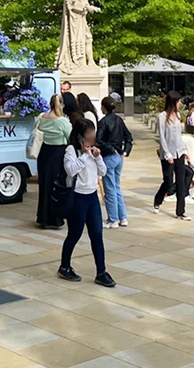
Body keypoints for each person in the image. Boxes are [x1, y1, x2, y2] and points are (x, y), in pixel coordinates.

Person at [58, 118, 116, 288]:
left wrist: (97, 158)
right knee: (74, 234)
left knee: (97, 234)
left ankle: (101, 272)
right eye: (89, 133)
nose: (92, 136)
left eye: (93, 133)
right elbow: (70, 170)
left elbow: (103, 172)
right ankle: (64, 266)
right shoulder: (71, 150)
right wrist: (84, 155)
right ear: (80, 136)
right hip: (77, 197)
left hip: (92, 197)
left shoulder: (94, 151)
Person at [36, 94, 73, 229]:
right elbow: (70, 137)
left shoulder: (41, 117)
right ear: (61, 105)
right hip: (58, 154)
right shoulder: (63, 121)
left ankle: (43, 217)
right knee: (57, 186)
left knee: (44, 186)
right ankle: (56, 218)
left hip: (43, 153)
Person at [96, 96, 133, 228]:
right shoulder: (119, 120)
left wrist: (110, 148)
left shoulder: (103, 122)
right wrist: (125, 151)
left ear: (103, 107)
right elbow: (129, 137)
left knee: (110, 188)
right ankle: (122, 217)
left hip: (109, 156)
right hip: (119, 157)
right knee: (116, 187)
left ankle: (113, 219)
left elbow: (99, 140)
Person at [154, 91, 191, 220]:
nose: (180, 104)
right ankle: (158, 199)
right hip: (167, 154)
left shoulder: (178, 115)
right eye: (178, 101)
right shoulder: (162, 117)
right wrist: (167, 154)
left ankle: (180, 212)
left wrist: (185, 151)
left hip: (179, 152)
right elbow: (162, 138)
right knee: (168, 181)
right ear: (173, 102)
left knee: (180, 182)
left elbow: (178, 136)